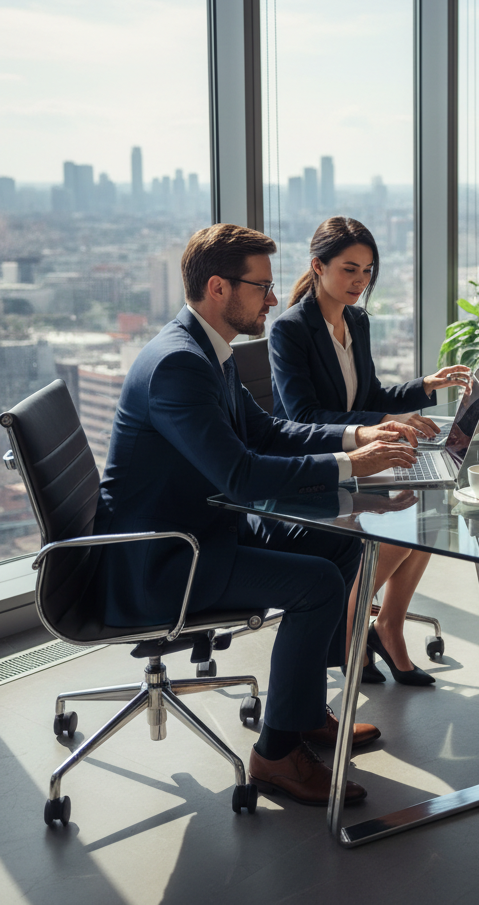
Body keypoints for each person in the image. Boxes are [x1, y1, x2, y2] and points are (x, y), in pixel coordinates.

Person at [95, 223, 422, 807]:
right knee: (319, 584)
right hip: (165, 560)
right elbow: (241, 474)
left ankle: (300, 711)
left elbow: (268, 432)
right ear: (219, 288)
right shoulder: (180, 364)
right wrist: (353, 467)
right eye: (262, 287)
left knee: (338, 545)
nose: (275, 298)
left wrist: (355, 437)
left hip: (201, 530)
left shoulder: (207, 351)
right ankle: (275, 757)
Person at [269, 216, 471, 685]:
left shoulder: (355, 320)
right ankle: (351, 626)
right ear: (317, 267)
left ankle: (387, 625)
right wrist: (382, 423)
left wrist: (425, 386)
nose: (360, 282)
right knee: (407, 518)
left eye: (368, 271)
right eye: (349, 269)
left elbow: (369, 398)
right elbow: (303, 417)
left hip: (360, 456)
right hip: (315, 464)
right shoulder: (291, 330)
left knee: (430, 500)